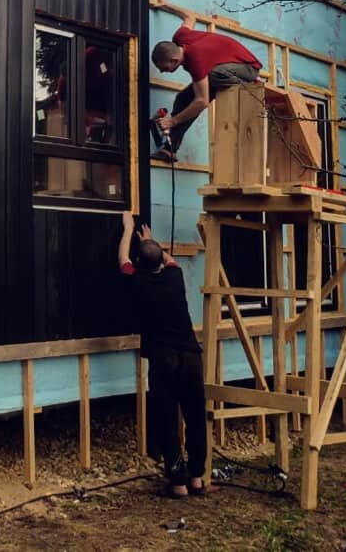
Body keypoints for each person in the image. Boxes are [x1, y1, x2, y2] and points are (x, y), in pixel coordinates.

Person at [119, 211, 208, 498]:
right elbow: (169, 259)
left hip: (164, 357)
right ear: (160, 261)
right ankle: (197, 477)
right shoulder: (175, 276)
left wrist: (128, 229)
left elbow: (123, 259)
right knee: (194, 416)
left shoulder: (138, 281)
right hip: (191, 356)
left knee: (167, 417)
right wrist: (150, 240)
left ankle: (178, 482)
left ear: (140, 263)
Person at [150, 1, 262, 161]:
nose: (162, 71)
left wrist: (172, 121)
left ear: (175, 60)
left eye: (164, 68)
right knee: (183, 98)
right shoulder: (180, 37)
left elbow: (202, 101)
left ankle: (249, 83)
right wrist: (165, 4)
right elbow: (189, 16)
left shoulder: (196, 60)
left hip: (248, 68)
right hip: (226, 68)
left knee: (211, 77)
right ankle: (170, 149)